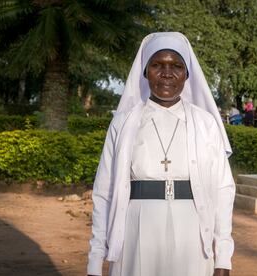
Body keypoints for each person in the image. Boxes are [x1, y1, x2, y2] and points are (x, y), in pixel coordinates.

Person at [87, 32, 235, 276]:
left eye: (176, 66)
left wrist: (223, 258)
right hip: (136, 228)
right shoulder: (123, 123)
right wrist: (95, 260)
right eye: (157, 65)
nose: (167, 74)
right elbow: (104, 192)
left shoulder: (205, 123)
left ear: (187, 74)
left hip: (193, 231)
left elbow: (223, 190)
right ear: (145, 72)